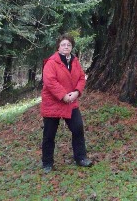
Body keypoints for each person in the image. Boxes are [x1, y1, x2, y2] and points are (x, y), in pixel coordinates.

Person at [41, 33, 93, 172]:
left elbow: (82, 78)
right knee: (49, 134)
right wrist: (63, 95)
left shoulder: (75, 62)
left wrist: (76, 92)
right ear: (58, 46)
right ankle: (47, 163)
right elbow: (50, 81)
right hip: (53, 102)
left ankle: (81, 158)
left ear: (72, 47)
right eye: (63, 44)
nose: (66, 47)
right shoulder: (51, 62)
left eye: (69, 45)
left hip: (71, 101)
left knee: (78, 128)